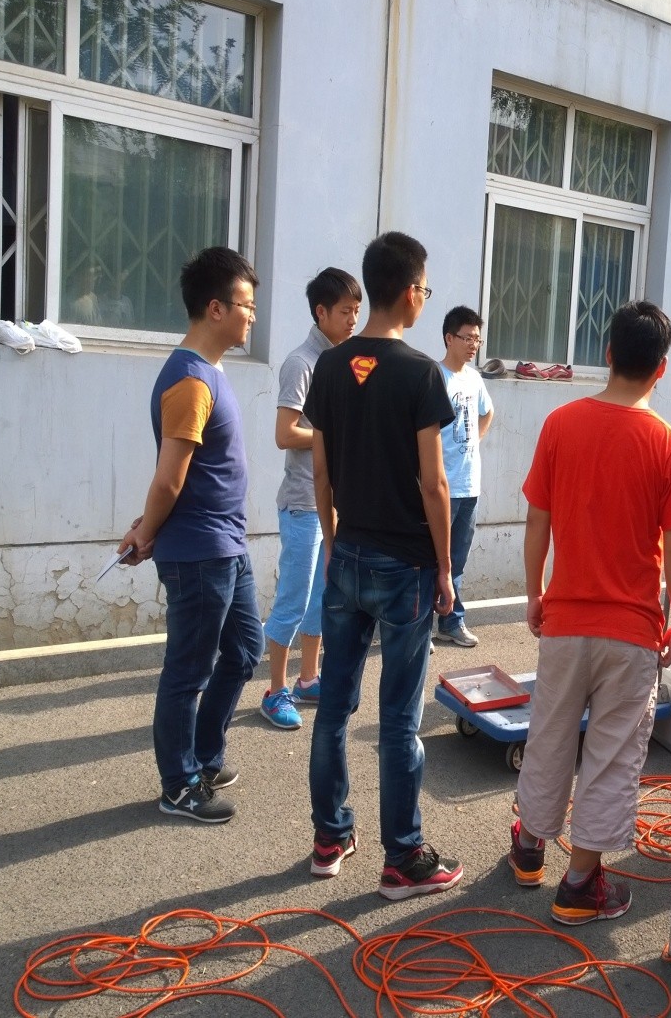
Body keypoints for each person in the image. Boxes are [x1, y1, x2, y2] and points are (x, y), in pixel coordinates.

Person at [508, 301, 671, 926]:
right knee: (612, 754)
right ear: (661, 368)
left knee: (550, 736)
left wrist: (535, 592)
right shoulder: (670, 446)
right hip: (631, 631)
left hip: (565, 621)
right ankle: (579, 883)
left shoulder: (561, 424)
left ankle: (529, 848)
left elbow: (537, 521)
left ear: (609, 353)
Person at [303, 232, 461, 901]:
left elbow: (320, 469)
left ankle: (329, 837)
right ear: (410, 292)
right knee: (398, 718)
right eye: (425, 289)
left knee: (334, 707)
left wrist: (331, 538)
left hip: (347, 554)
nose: (425, 299)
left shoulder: (331, 365)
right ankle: (403, 858)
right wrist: (446, 569)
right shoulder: (421, 373)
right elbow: (435, 484)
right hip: (406, 566)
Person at [117, 247, 263, 824]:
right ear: (215, 308)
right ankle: (178, 785)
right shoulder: (190, 382)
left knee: (245, 650)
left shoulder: (209, 372)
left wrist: (147, 526)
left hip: (226, 545)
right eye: (245, 306)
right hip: (201, 552)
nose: (252, 316)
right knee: (187, 673)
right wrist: (147, 531)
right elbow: (169, 478)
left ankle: (203, 757)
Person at [259, 268, 361, 730]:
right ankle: (274, 690)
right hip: (302, 503)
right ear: (321, 312)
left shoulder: (343, 361)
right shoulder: (301, 363)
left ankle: (308, 678)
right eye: (345, 311)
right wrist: (332, 434)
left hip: (332, 502)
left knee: (322, 596)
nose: (353, 320)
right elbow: (285, 434)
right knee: (294, 599)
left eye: (357, 310)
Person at [433, 306, 495, 649]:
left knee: (457, 560)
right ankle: (420, 627)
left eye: (477, 339)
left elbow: (488, 412)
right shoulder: (435, 376)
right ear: (449, 338)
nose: (473, 345)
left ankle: (451, 622)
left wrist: (474, 441)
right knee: (431, 559)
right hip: (441, 486)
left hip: (470, 484)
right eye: (467, 338)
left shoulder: (474, 378)